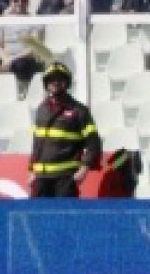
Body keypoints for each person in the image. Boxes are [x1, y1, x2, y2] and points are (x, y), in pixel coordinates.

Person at [28, 61, 101, 198]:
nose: (55, 83)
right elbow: (37, 143)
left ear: (67, 82)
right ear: (46, 83)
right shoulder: (41, 109)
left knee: (64, 212)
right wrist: (31, 171)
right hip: (41, 178)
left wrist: (83, 169)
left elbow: (94, 144)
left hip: (65, 178)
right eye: (51, 79)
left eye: (60, 79)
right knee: (38, 212)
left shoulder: (79, 110)